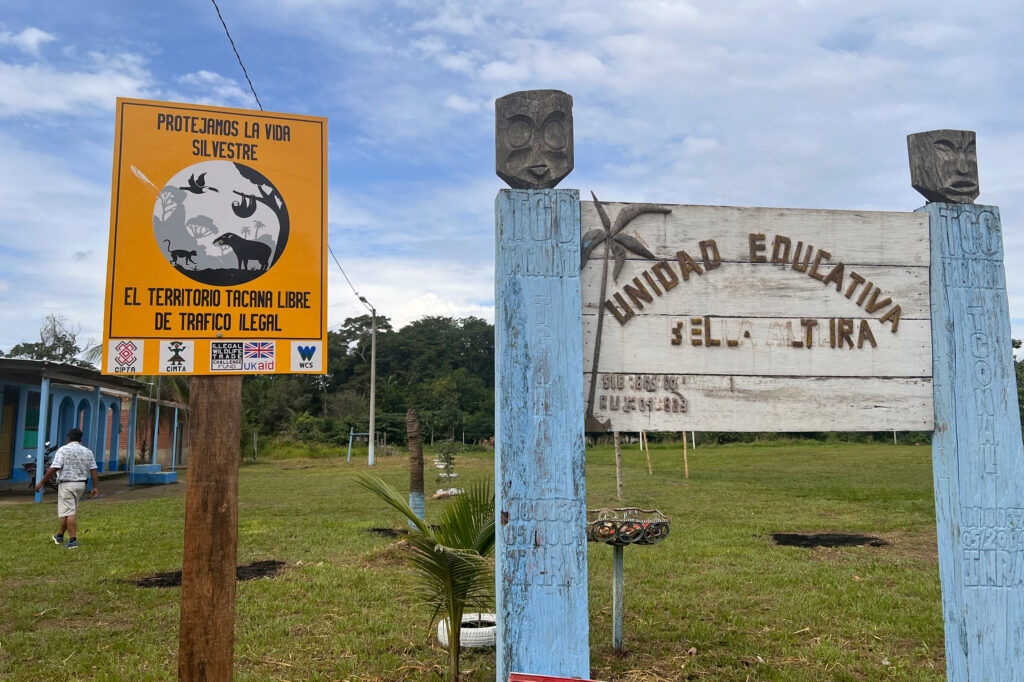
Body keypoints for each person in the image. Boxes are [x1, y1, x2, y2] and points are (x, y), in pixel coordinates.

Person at [35, 428, 99, 549]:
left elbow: (54, 468)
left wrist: (41, 482)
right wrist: (95, 487)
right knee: (68, 510)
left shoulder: (63, 450)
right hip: (81, 485)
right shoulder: (87, 451)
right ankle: (59, 535)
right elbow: (93, 470)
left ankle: (73, 541)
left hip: (67, 484)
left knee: (70, 512)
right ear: (81, 439)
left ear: (68, 438)